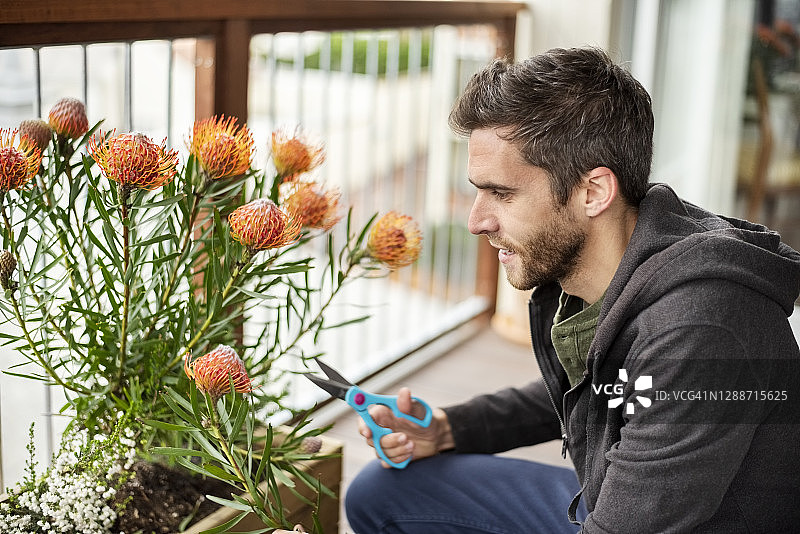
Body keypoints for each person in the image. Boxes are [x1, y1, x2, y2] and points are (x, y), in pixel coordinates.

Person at [341, 46, 800, 533]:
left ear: (594, 192)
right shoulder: (619, 256)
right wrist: (450, 429)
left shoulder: (701, 325)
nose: (476, 220)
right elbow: (602, 386)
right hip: (619, 500)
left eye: (502, 193)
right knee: (383, 493)